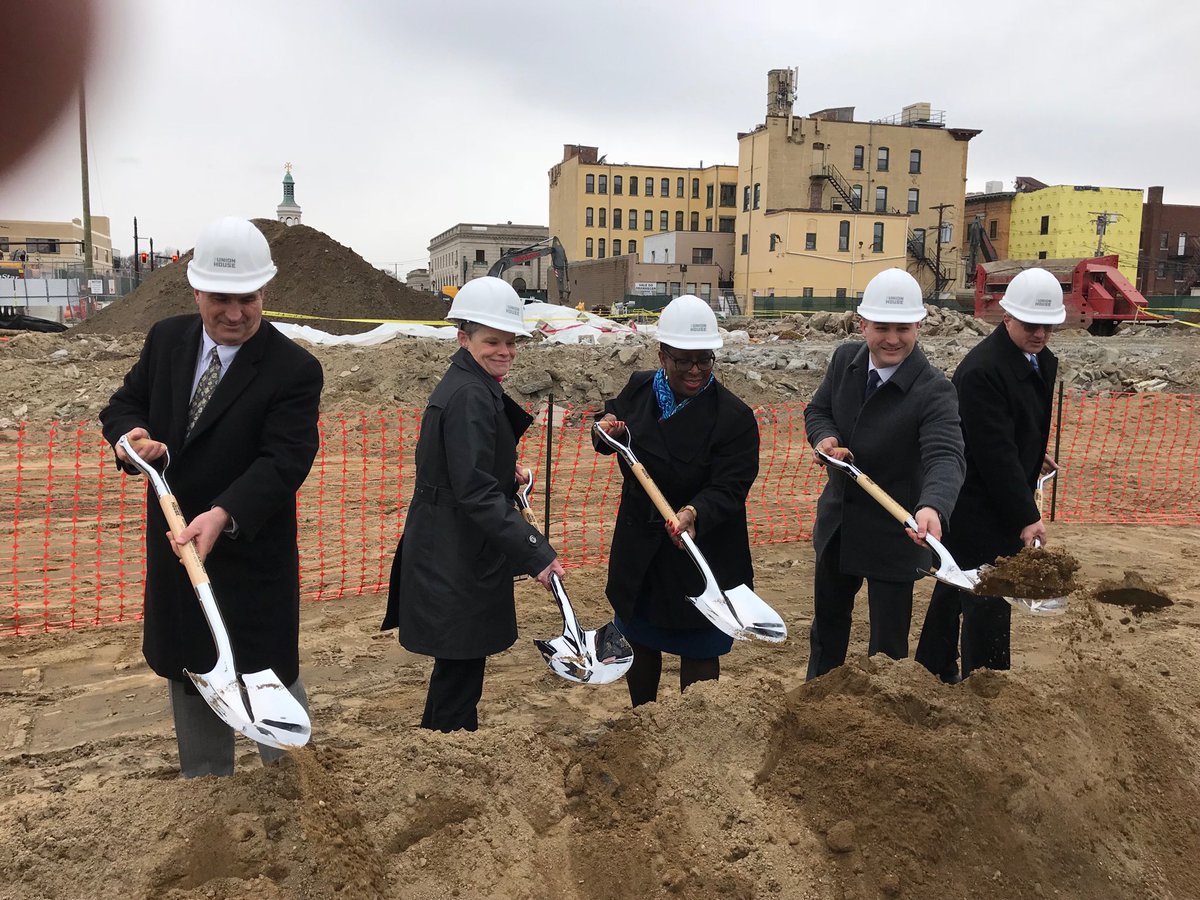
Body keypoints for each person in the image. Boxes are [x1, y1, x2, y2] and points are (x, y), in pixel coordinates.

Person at [99, 216, 323, 777]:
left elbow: (285, 460)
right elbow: (124, 407)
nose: (234, 313)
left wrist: (224, 512)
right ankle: (207, 795)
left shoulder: (293, 369)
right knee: (193, 669)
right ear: (195, 290)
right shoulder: (167, 340)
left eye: (247, 299)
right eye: (220, 298)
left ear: (264, 292)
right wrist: (133, 442)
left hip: (250, 555)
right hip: (180, 551)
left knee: (265, 672)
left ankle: (296, 789)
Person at [389, 276, 564, 732]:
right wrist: (536, 552)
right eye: (492, 341)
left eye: (511, 342)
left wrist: (501, 468)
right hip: (455, 552)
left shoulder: (470, 383)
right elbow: (475, 493)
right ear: (463, 338)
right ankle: (448, 756)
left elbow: (459, 465)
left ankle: (439, 747)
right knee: (460, 669)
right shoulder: (469, 394)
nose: (504, 350)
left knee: (458, 668)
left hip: (452, 543)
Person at [594, 294, 759, 707]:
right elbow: (611, 429)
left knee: (699, 648)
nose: (695, 370)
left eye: (705, 360)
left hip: (699, 551)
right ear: (663, 354)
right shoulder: (639, 388)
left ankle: (696, 731)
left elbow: (732, 485)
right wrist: (603, 429)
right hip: (642, 553)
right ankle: (642, 720)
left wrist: (693, 511)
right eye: (684, 359)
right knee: (640, 640)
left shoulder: (733, 418)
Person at [803, 268, 965, 681]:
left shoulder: (933, 389)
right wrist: (825, 440)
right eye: (882, 327)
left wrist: (933, 506)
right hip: (839, 524)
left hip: (896, 532)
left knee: (888, 648)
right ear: (863, 325)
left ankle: (885, 729)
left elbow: (945, 454)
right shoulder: (844, 362)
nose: (892, 338)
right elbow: (818, 411)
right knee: (827, 632)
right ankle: (816, 708)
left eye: (903, 328)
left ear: (919, 326)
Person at [916, 267, 1063, 682]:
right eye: (1032, 326)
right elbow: (993, 451)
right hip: (976, 500)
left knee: (955, 584)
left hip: (1000, 490)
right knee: (988, 591)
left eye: (1048, 327)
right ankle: (987, 682)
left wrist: (1035, 456)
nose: (1040, 335)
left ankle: (931, 667)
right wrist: (1025, 516)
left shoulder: (1039, 360)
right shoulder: (982, 371)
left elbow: (1017, 426)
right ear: (1008, 317)